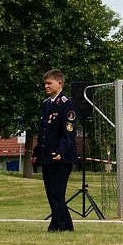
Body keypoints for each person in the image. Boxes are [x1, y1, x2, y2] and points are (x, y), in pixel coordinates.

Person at [31, 69, 79, 232]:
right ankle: (67, 225)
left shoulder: (67, 104)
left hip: (60, 156)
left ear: (60, 83)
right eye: (45, 83)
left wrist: (62, 151)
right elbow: (43, 132)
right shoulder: (46, 104)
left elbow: (69, 131)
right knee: (51, 192)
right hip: (47, 155)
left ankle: (57, 225)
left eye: (49, 83)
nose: (46, 86)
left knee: (57, 193)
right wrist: (36, 152)